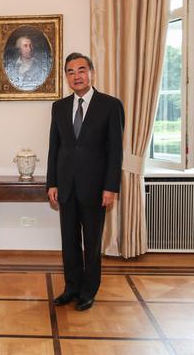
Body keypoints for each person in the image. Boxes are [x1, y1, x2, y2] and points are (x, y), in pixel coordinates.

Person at [46, 52, 124, 311]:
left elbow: (115, 151)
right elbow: (54, 148)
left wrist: (111, 186)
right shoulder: (58, 107)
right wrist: (52, 183)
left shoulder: (111, 105)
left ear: (91, 73)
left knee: (91, 243)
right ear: (66, 77)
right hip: (66, 187)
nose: (76, 76)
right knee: (69, 242)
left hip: (96, 188)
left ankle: (88, 291)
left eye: (81, 70)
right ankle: (71, 288)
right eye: (70, 71)